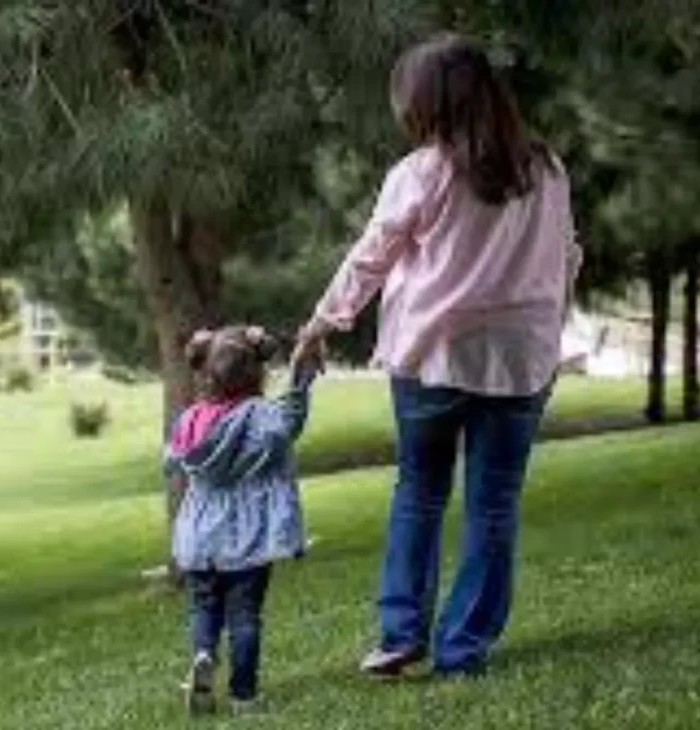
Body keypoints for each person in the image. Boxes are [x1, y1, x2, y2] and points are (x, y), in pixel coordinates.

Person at [292, 33, 581, 679]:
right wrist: (550, 331)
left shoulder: (421, 171)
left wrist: (323, 322)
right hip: (520, 359)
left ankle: (400, 636)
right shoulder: (548, 168)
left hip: (433, 356)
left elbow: (374, 254)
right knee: (494, 504)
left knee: (420, 491)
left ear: (424, 102)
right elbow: (567, 258)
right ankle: (463, 649)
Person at [166, 325, 319, 714]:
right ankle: (243, 695)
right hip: (248, 538)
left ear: (205, 374)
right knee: (245, 615)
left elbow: (171, 462)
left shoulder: (190, 420)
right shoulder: (262, 416)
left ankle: (203, 655)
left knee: (204, 607)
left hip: (199, 536)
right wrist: (301, 375)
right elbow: (293, 419)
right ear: (257, 372)